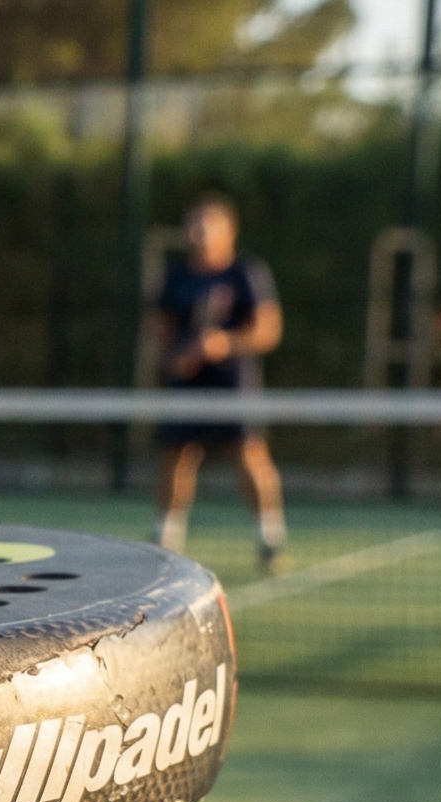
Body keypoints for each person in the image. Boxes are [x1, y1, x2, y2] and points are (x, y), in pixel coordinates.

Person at [151, 194, 287, 576]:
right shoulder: (176, 277)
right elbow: (161, 334)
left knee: (249, 455)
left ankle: (270, 540)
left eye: (206, 223)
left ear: (229, 231)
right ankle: (166, 539)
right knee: (176, 457)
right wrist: (175, 357)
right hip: (186, 383)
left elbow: (268, 330)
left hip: (234, 383)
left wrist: (224, 343)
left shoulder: (247, 273)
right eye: (192, 224)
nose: (197, 232)